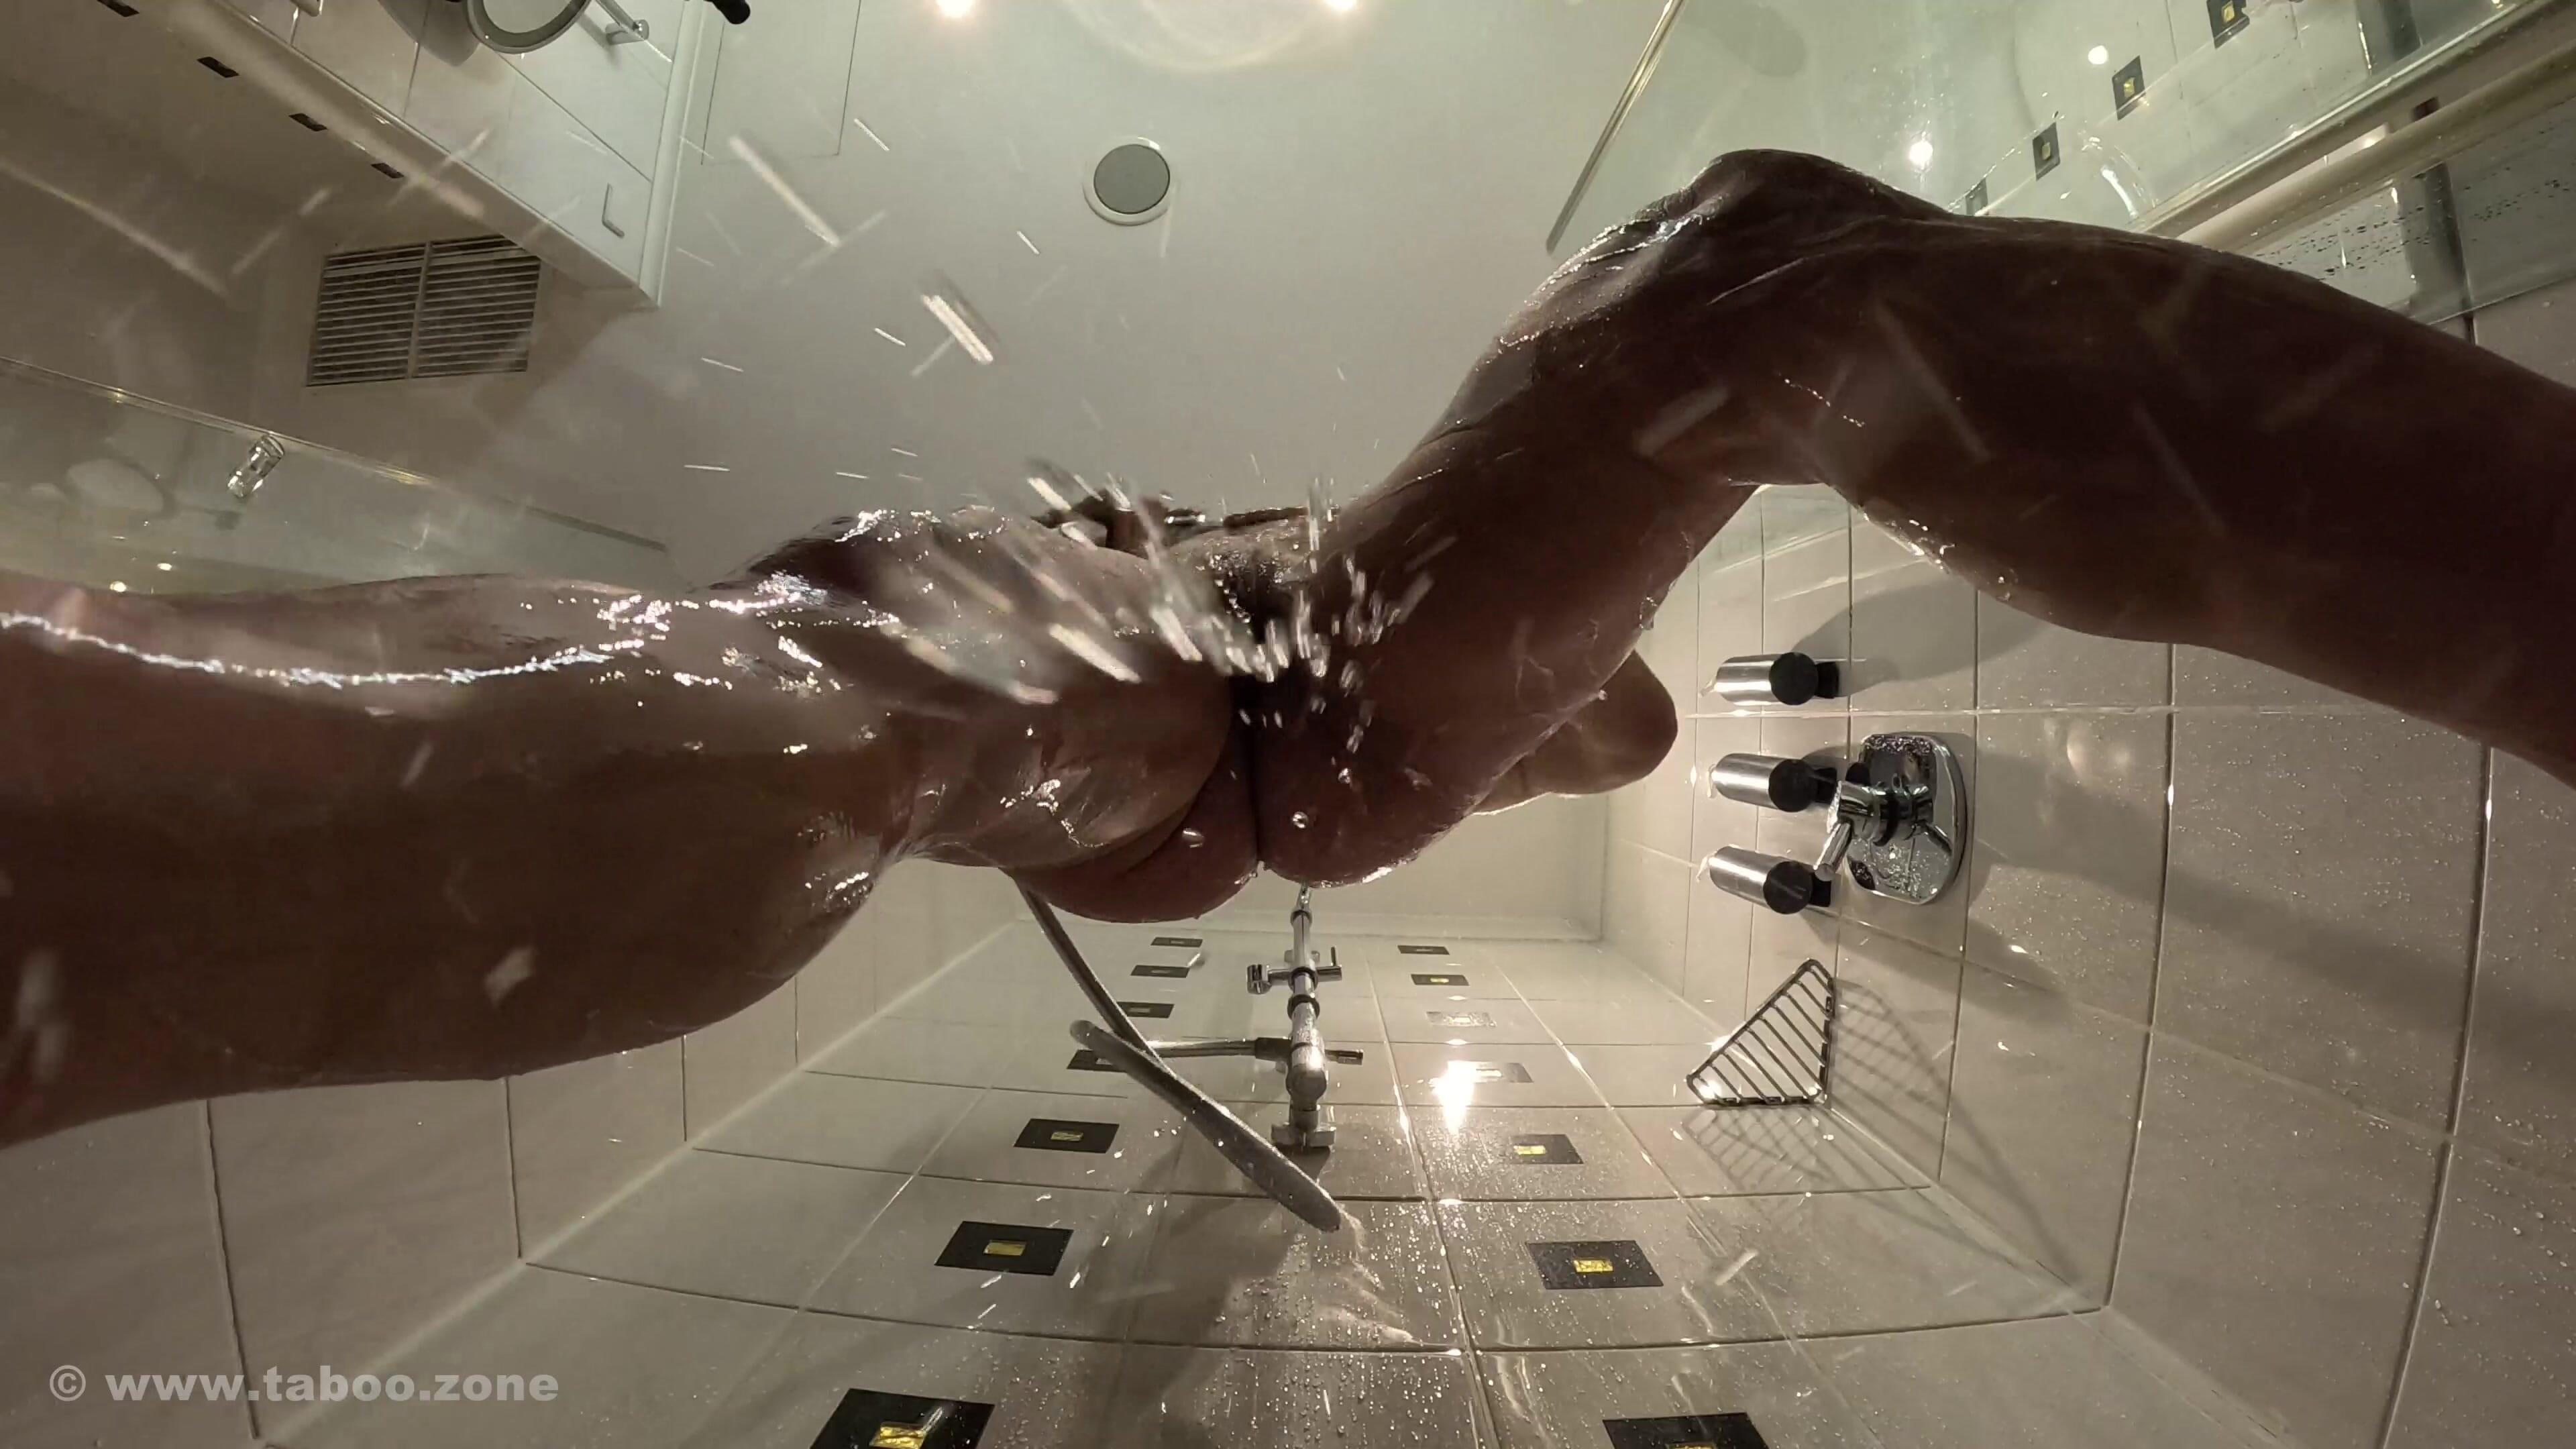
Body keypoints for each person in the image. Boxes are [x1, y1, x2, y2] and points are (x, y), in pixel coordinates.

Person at [4, 150, 2570, 1148]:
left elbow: (1619, 714)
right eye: (1108, 523)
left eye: (1117, 519)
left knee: (869, 676)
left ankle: (993, 666)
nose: (1103, 517)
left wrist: (1128, 621)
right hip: (1107, 728)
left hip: (1121, 726)